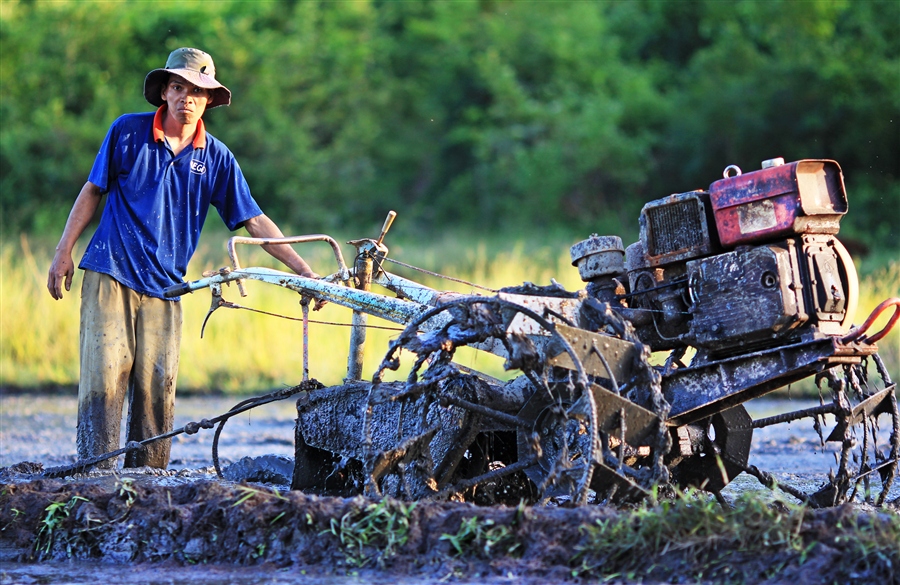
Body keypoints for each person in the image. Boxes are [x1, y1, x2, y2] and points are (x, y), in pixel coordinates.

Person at [46, 47, 317, 469]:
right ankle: (92, 482)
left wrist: (304, 271)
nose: (186, 98)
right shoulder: (127, 133)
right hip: (110, 271)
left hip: (168, 286)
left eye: (197, 91)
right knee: (104, 383)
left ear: (209, 100)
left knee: (157, 395)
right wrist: (63, 251)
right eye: (178, 87)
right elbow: (92, 191)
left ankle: (149, 487)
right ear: (164, 93)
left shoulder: (216, 158)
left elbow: (255, 222)